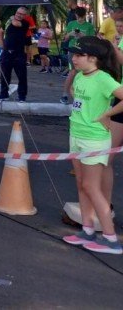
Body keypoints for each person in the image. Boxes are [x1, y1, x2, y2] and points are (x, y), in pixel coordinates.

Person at [61, 36, 123, 255]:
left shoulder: (104, 78)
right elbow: (77, 99)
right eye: (73, 54)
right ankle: (87, 230)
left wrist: (107, 114)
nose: (74, 59)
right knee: (81, 183)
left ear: (93, 58)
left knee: (91, 187)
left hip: (94, 139)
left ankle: (110, 237)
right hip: (76, 134)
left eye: (79, 55)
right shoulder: (80, 76)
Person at [61, 7, 97, 103]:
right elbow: (64, 39)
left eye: (82, 17)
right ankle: (64, 94)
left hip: (84, 51)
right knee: (72, 72)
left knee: (85, 73)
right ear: (75, 15)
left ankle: (83, 95)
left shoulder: (89, 26)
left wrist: (83, 36)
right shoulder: (71, 24)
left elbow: (92, 40)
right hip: (73, 50)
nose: (80, 19)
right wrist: (69, 34)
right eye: (78, 16)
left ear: (85, 15)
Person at [0, 7, 31, 103]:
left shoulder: (24, 23)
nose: (19, 15)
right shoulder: (7, 21)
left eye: (22, 14)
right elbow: (0, 31)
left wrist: (11, 18)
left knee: (22, 76)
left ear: (25, 16)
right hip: (7, 52)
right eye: (18, 12)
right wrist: (1, 44)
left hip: (19, 53)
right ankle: (4, 94)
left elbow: (16, 23)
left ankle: (22, 96)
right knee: (5, 75)